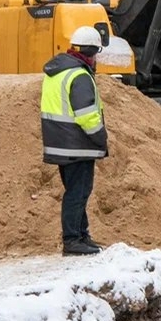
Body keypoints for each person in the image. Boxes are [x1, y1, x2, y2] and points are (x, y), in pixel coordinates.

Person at [41, 26, 110, 256]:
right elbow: (87, 115)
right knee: (78, 192)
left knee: (77, 190)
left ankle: (82, 235)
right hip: (77, 144)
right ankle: (72, 240)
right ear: (91, 52)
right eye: (96, 54)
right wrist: (101, 138)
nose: (96, 60)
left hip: (61, 142)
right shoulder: (79, 76)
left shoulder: (60, 71)